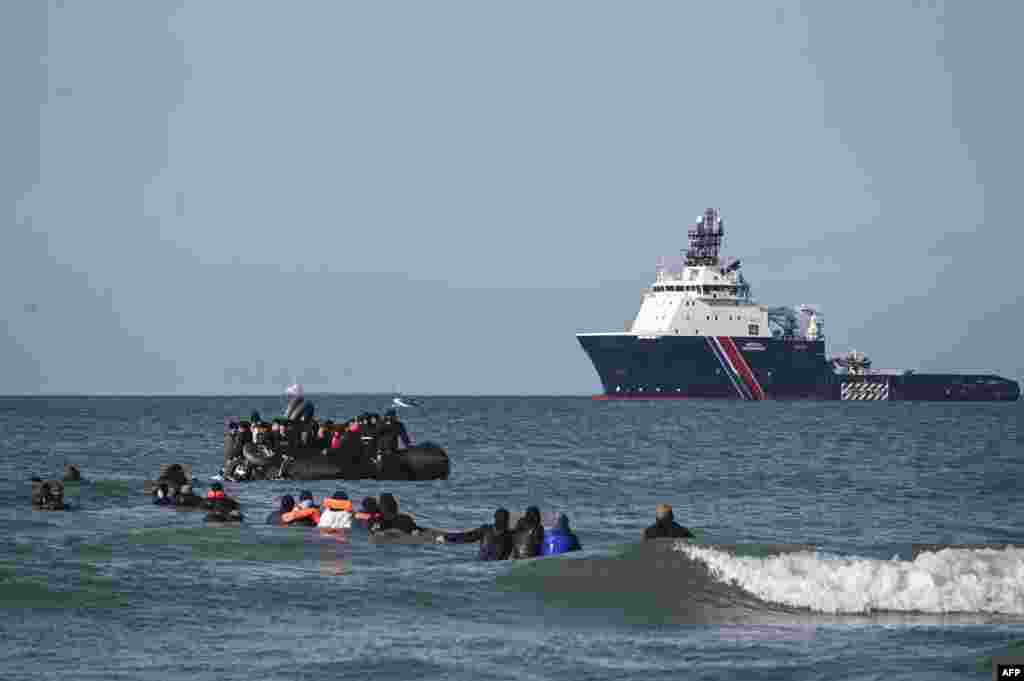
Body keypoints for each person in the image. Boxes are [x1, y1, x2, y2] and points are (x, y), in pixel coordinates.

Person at [439, 508, 514, 561]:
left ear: (494, 518)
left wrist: (446, 537)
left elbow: (466, 537)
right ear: (507, 520)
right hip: (497, 566)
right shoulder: (510, 535)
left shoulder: (485, 530)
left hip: (481, 564)